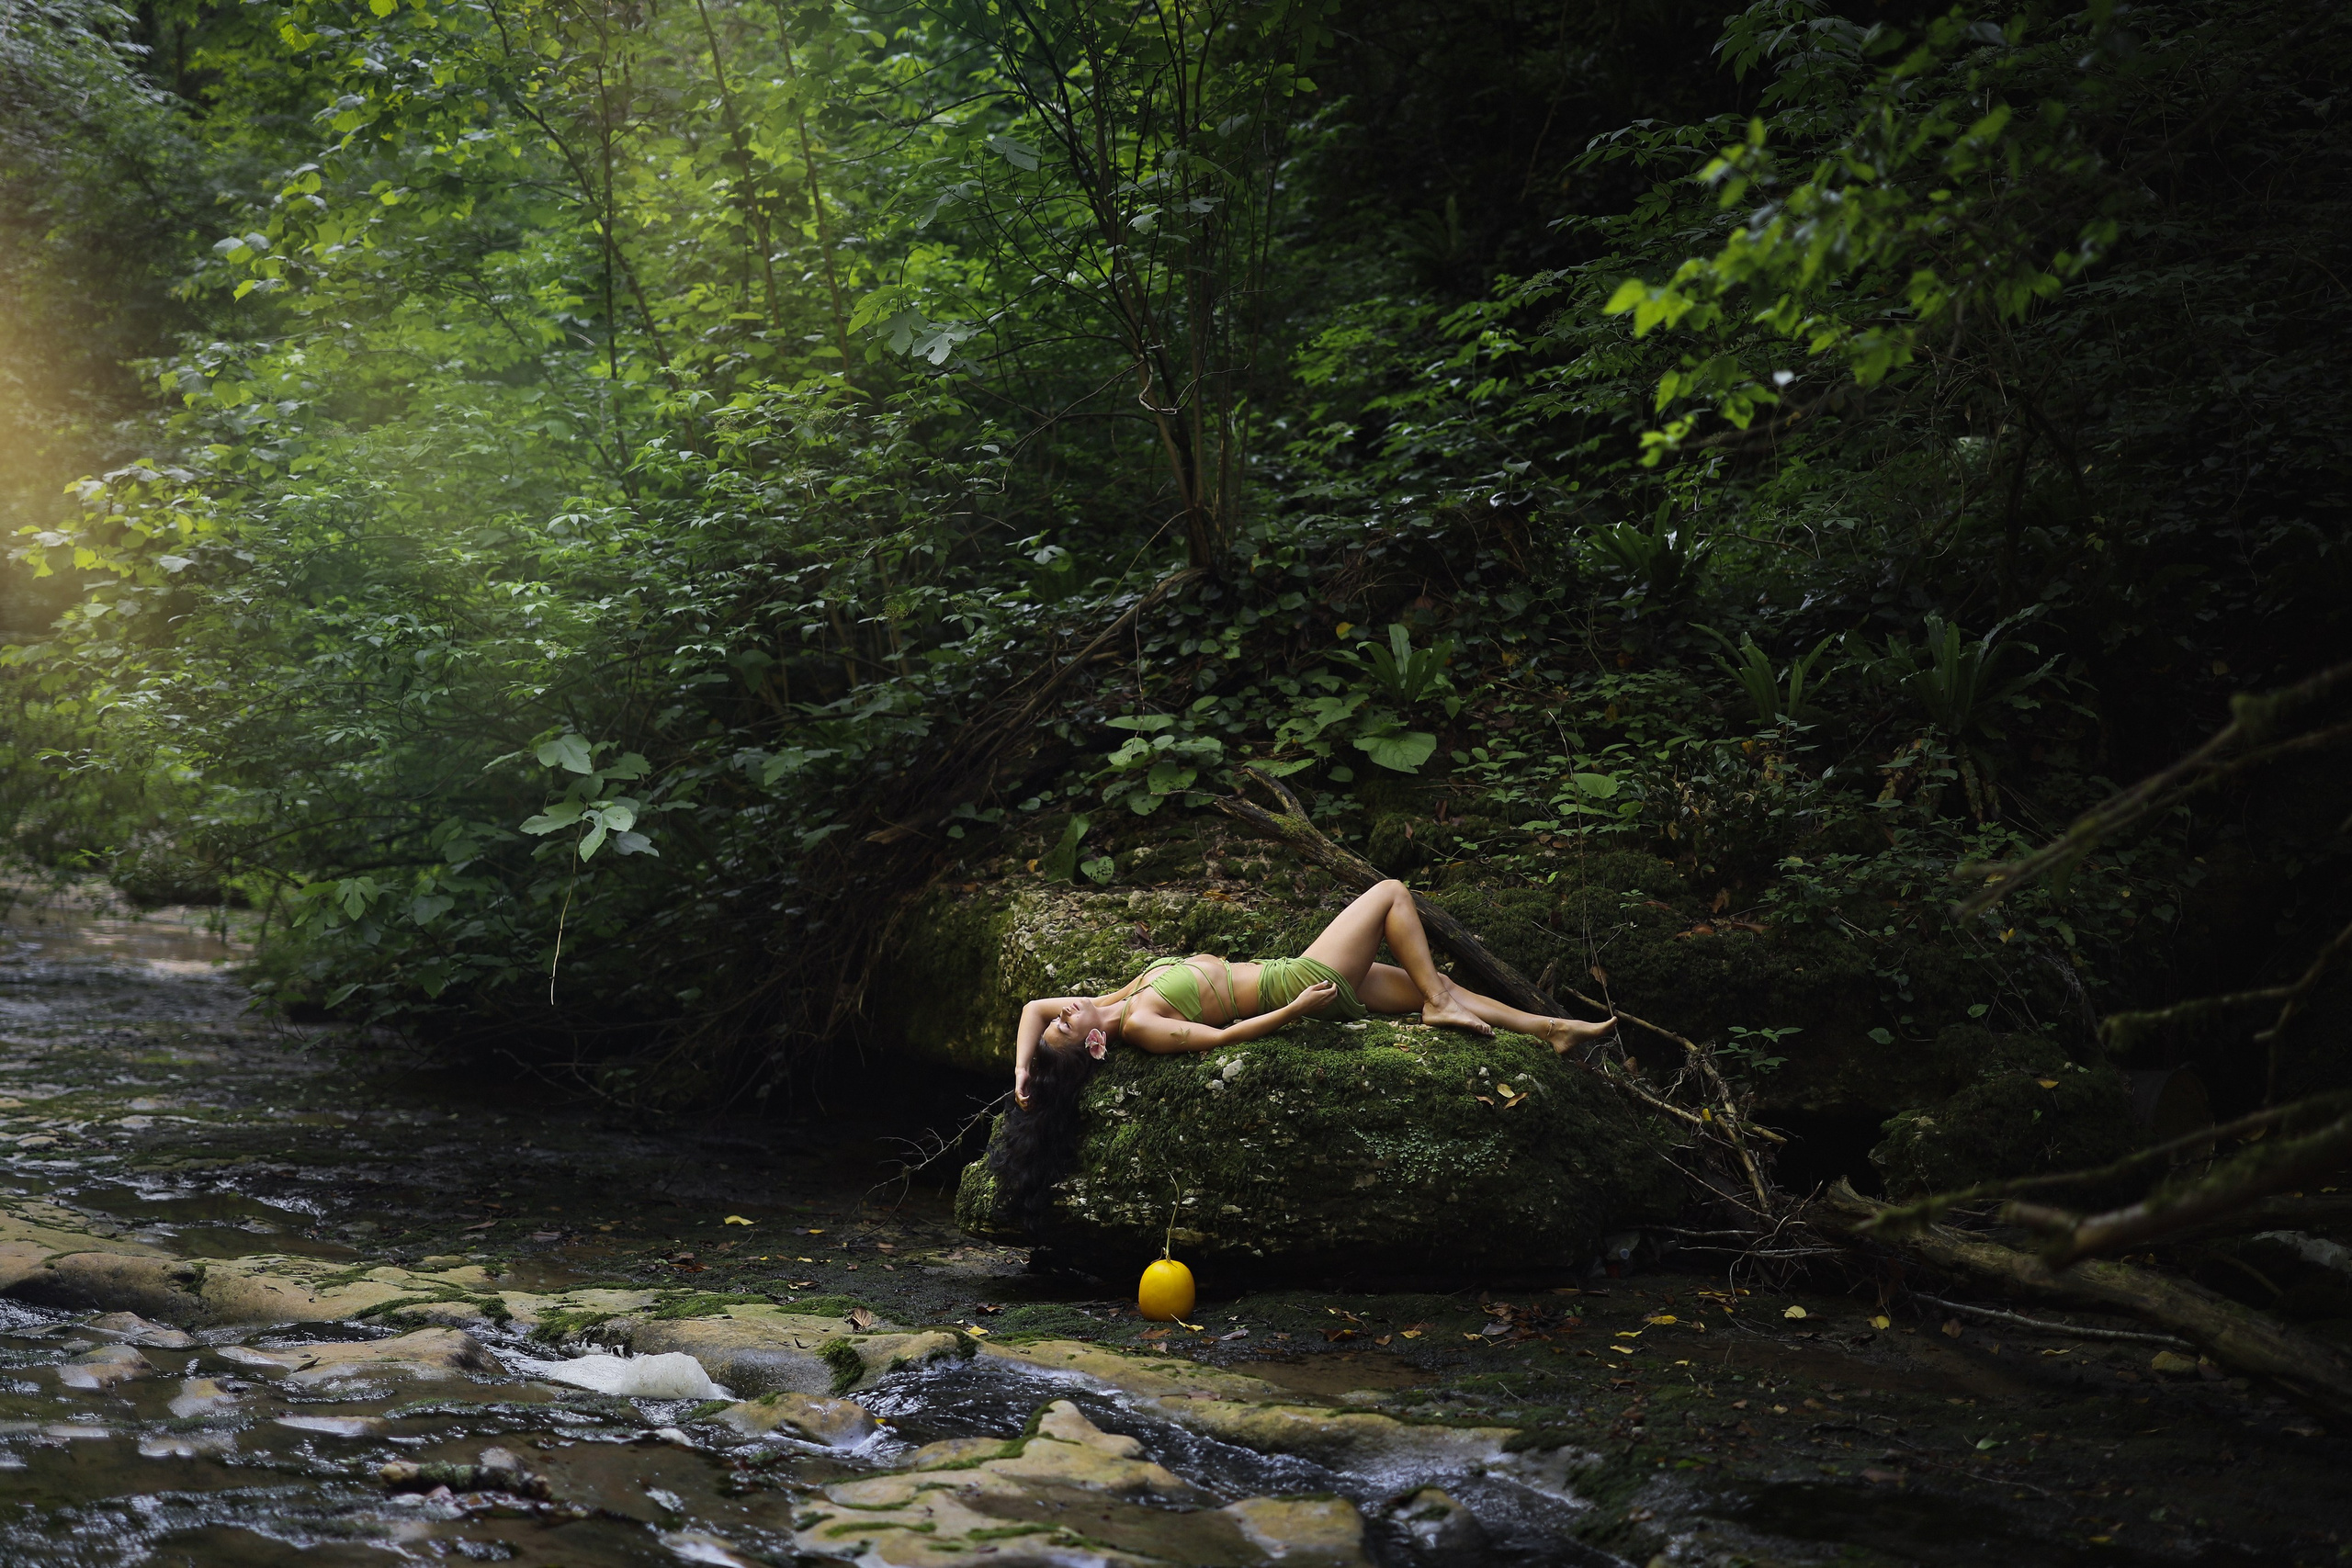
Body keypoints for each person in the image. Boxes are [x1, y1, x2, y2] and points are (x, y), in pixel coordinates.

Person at [1009, 878, 1616, 1111]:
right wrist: (1293, 1011)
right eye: (1066, 1025)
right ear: (1092, 1042)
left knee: (1441, 979)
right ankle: (1437, 1005)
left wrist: (1023, 1073)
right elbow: (1219, 1038)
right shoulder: (1139, 1022)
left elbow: (1031, 1007)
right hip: (1297, 982)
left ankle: (1550, 1030)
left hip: (1294, 972)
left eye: (1059, 1014)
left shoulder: (1122, 993)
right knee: (1391, 894)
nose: (1061, 1009)